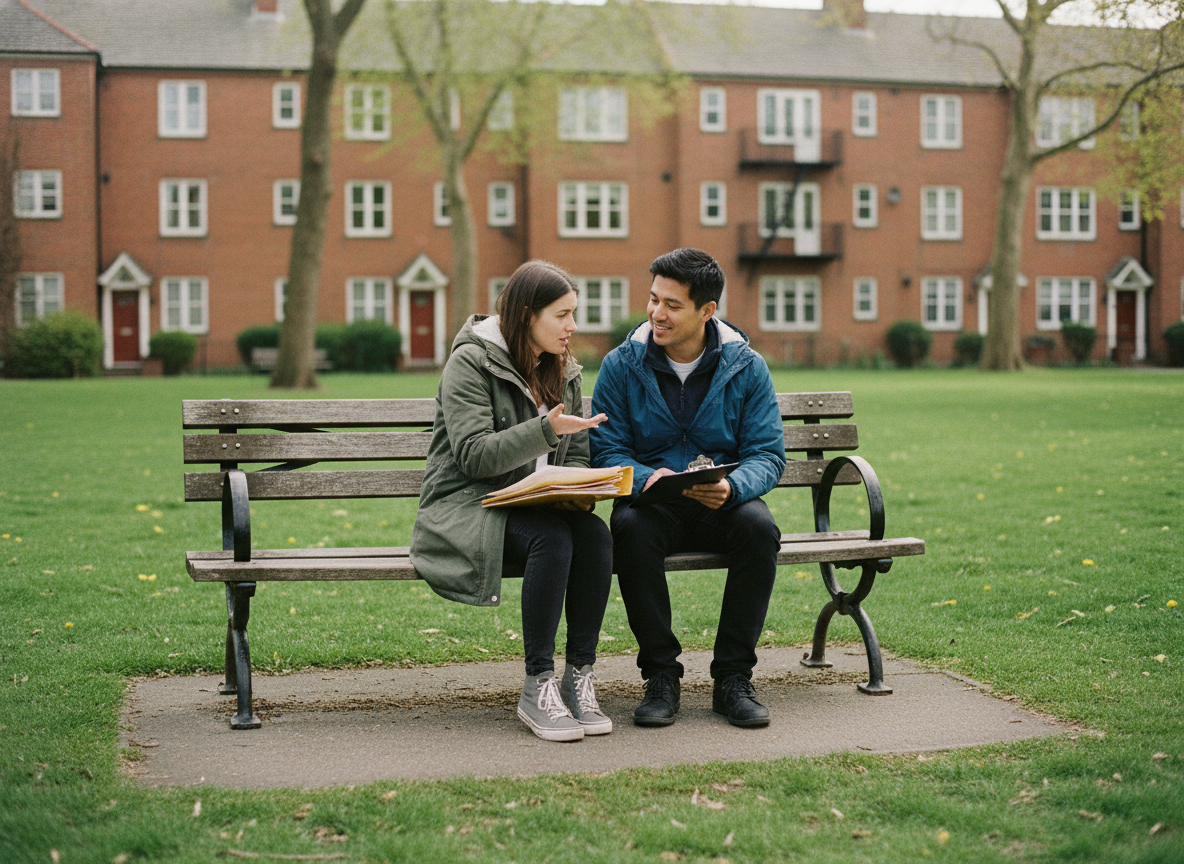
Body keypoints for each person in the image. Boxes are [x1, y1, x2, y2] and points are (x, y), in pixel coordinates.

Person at [410, 260, 614, 742]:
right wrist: (545, 431)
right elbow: (474, 456)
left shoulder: (563, 368)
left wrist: (577, 489)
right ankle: (537, 682)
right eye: (562, 315)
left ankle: (579, 674)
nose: (573, 326)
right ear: (527, 315)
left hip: (536, 504)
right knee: (552, 540)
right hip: (468, 506)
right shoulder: (470, 362)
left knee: (596, 536)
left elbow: (580, 452)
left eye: (574, 314)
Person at [589, 248, 786, 728]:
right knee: (628, 529)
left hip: (721, 503)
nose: (657, 313)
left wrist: (735, 486)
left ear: (707, 311)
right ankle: (661, 677)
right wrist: (641, 477)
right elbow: (606, 450)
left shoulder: (746, 365)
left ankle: (733, 680)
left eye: (672, 305)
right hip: (653, 507)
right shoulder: (621, 365)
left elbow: (768, 454)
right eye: (654, 299)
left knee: (760, 529)